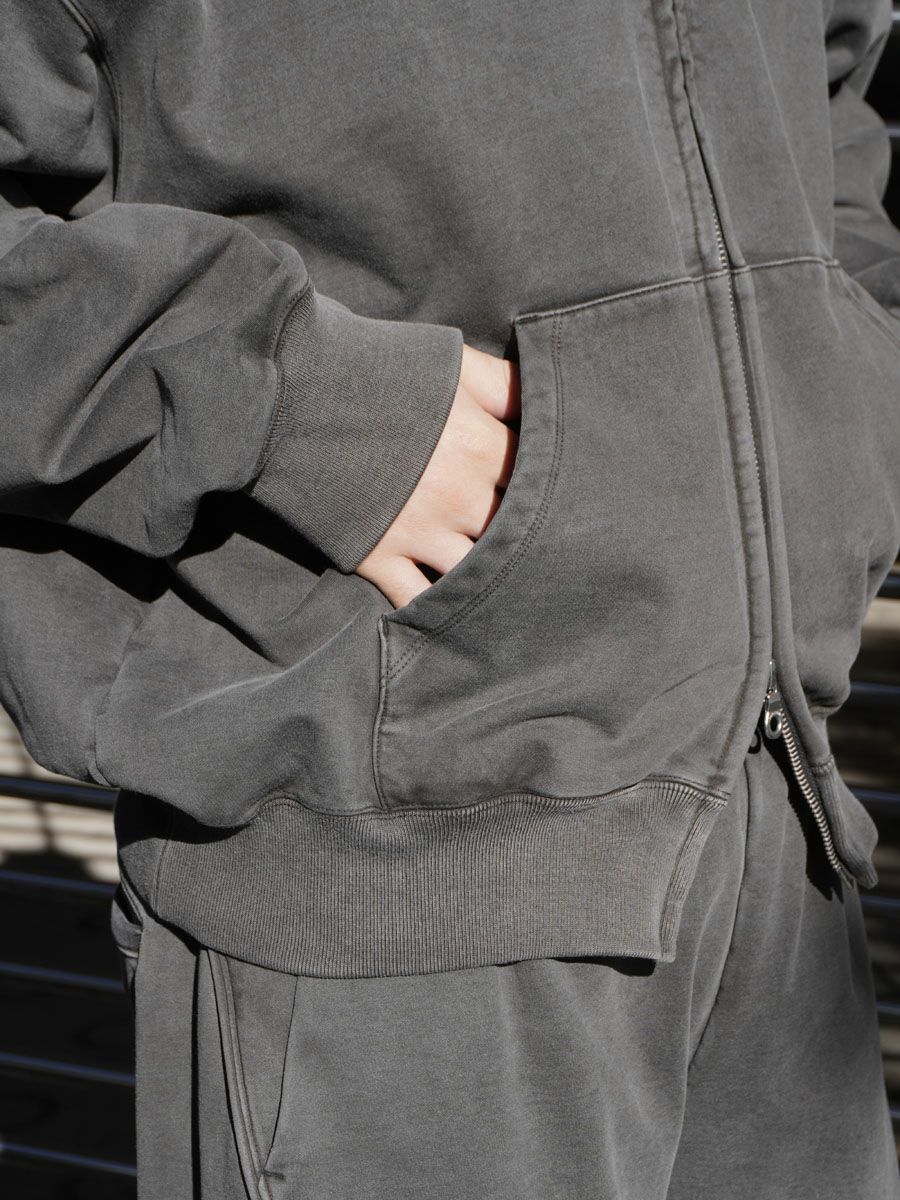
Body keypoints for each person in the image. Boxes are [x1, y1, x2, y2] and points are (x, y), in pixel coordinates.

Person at [2, 0, 899, 1194]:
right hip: (396, 859)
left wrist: (846, 391)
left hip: (782, 825)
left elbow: (831, 73)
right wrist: (303, 407)